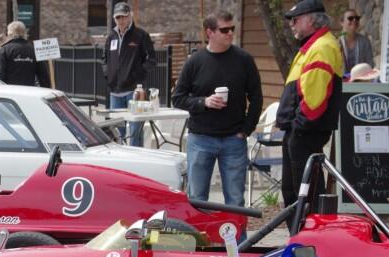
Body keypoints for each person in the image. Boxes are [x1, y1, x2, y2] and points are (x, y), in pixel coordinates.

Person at [173, 10, 262, 208]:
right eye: (224, 30)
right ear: (209, 33)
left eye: (232, 29)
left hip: (233, 139)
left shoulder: (244, 59)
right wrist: (204, 102)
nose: (230, 33)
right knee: (197, 198)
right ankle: (201, 239)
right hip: (200, 139)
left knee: (235, 200)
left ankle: (239, 240)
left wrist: (246, 129)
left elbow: (256, 98)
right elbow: (177, 98)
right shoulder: (194, 62)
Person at [277, 0, 343, 220]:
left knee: (305, 194)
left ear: (312, 20)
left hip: (305, 132)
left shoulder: (321, 47)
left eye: (296, 20)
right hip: (300, 131)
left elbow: (314, 102)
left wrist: (299, 128)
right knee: (296, 193)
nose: (292, 25)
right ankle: (301, 240)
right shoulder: (314, 46)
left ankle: (310, 243)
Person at [103, 2, 156, 147]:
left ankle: (137, 162)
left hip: (135, 92)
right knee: (118, 134)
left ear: (129, 16)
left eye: (123, 17)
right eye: (117, 17)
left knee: (135, 133)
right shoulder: (111, 37)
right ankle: (121, 163)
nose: (121, 20)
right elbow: (105, 59)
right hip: (115, 93)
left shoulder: (141, 35)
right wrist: (108, 75)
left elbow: (152, 59)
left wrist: (137, 73)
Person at [0, 21, 49, 87]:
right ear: (25, 33)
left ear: (9, 33)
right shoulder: (34, 50)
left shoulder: (5, 50)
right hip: (29, 91)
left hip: (10, 93)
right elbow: (43, 76)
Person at [338, 9, 373, 75]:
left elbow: (370, 65)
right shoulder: (336, 42)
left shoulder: (365, 42)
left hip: (361, 83)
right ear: (342, 22)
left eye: (357, 18)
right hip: (340, 82)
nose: (354, 20)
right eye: (350, 18)